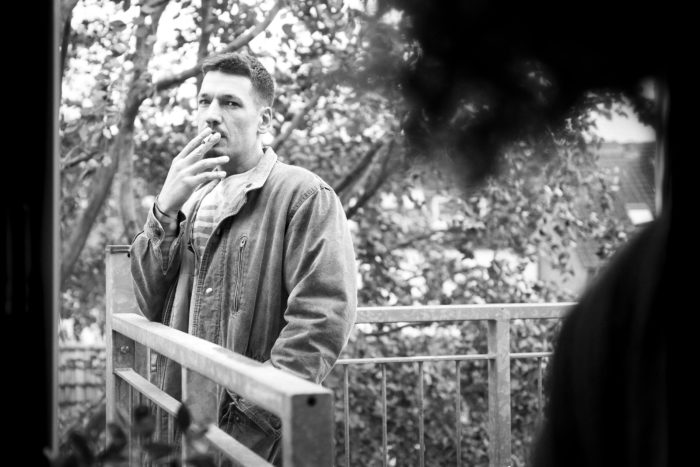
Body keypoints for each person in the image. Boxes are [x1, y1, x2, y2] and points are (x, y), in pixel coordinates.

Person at [129, 52, 358, 464]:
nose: (212, 115)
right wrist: (164, 208)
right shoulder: (192, 198)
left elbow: (322, 317)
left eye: (230, 103)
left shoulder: (304, 195)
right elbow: (149, 302)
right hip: (181, 418)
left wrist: (254, 414)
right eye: (204, 101)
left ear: (264, 119)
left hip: (248, 433)